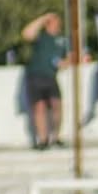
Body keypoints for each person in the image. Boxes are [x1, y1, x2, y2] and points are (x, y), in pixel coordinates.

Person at [21, 12, 70, 150]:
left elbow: (70, 57)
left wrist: (64, 63)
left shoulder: (62, 40)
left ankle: (56, 136)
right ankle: (42, 139)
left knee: (56, 105)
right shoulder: (41, 37)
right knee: (39, 107)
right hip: (35, 75)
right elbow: (26, 33)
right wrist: (42, 18)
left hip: (51, 76)